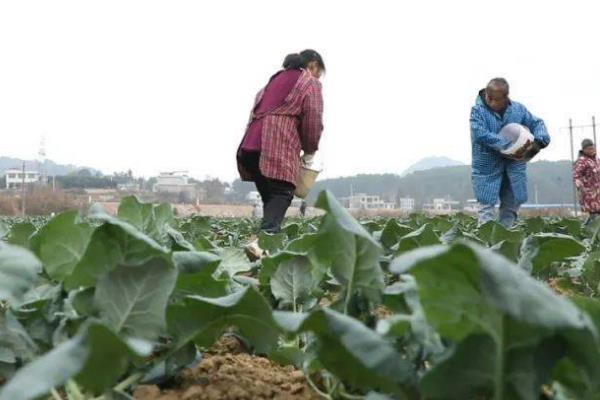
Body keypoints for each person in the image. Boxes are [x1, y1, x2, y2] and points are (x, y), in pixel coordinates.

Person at [237, 50, 324, 256]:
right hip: (275, 142)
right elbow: (313, 120)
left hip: (251, 144)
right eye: (318, 72)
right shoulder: (309, 83)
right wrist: (310, 149)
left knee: (271, 199)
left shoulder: (270, 83)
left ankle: (261, 251)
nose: (318, 77)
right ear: (312, 65)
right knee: (283, 191)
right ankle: (262, 243)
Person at [470, 78, 551, 228]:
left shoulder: (518, 109)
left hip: (514, 167)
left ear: (506, 97)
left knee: (510, 208)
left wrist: (540, 140)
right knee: (486, 208)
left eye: (496, 99)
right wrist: (510, 145)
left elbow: (537, 123)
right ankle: (486, 245)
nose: (491, 102)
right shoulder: (478, 111)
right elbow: (480, 133)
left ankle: (504, 243)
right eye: (489, 97)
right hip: (487, 167)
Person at [574, 139, 600, 225]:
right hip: (589, 194)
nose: (591, 150)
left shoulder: (596, 160)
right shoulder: (582, 161)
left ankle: (585, 229)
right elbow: (576, 176)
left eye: (592, 148)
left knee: (596, 215)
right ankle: (585, 230)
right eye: (589, 149)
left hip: (598, 193)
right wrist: (580, 188)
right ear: (584, 150)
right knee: (594, 215)